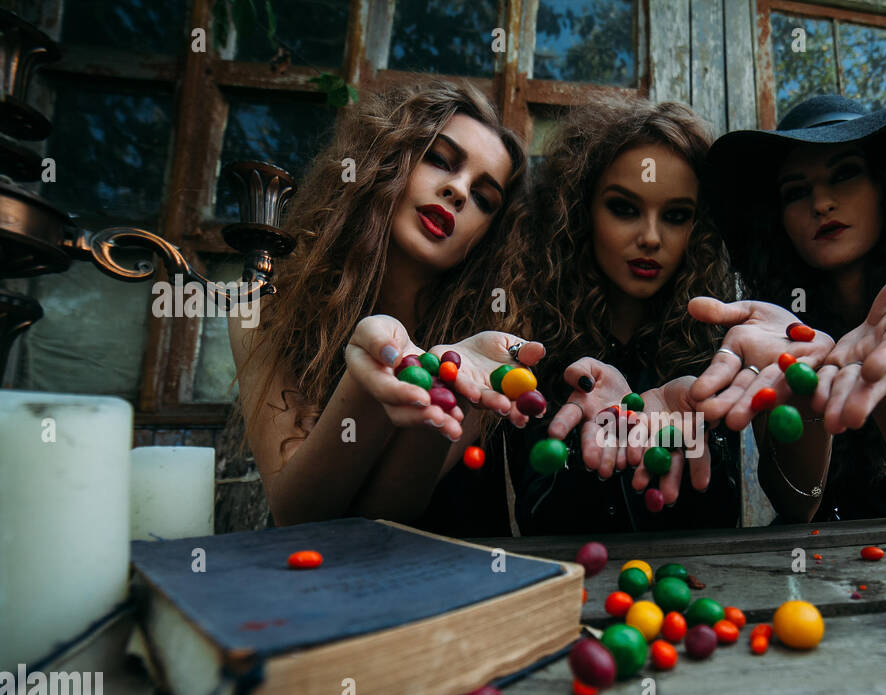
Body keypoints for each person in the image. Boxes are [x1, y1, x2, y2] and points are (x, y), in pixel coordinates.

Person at [228, 79, 545, 536]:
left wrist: (440, 382)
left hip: (461, 590)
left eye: (483, 198)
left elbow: (387, 515)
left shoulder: (487, 341)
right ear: (386, 160)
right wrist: (369, 373)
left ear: (488, 239)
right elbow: (299, 515)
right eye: (440, 160)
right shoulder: (260, 310)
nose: (457, 190)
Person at [693, 81, 886, 521]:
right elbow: (796, 502)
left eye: (845, 173)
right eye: (796, 191)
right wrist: (802, 387)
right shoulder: (773, 330)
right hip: (802, 571)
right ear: (777, 220)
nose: (821, 202)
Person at [495, 95, 742, 535]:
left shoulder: (720, 348)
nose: (650, 237)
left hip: (711, 594)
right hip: (568, 593)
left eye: (676, 215)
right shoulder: (527, 343)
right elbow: (535, 507)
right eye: (624, 208)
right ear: (580, 209)